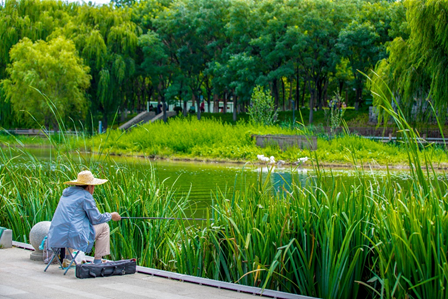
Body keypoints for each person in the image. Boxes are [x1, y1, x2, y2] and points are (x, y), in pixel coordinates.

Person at [47, 170, 121, 264]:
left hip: (56, 236)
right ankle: (98, 260)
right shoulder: (86, 196)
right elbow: (97, 219)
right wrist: (111, 215)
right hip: (71, 237)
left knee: (71, 228)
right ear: (90, 186)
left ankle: (68, 258)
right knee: (104, 227)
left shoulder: (66, 194)